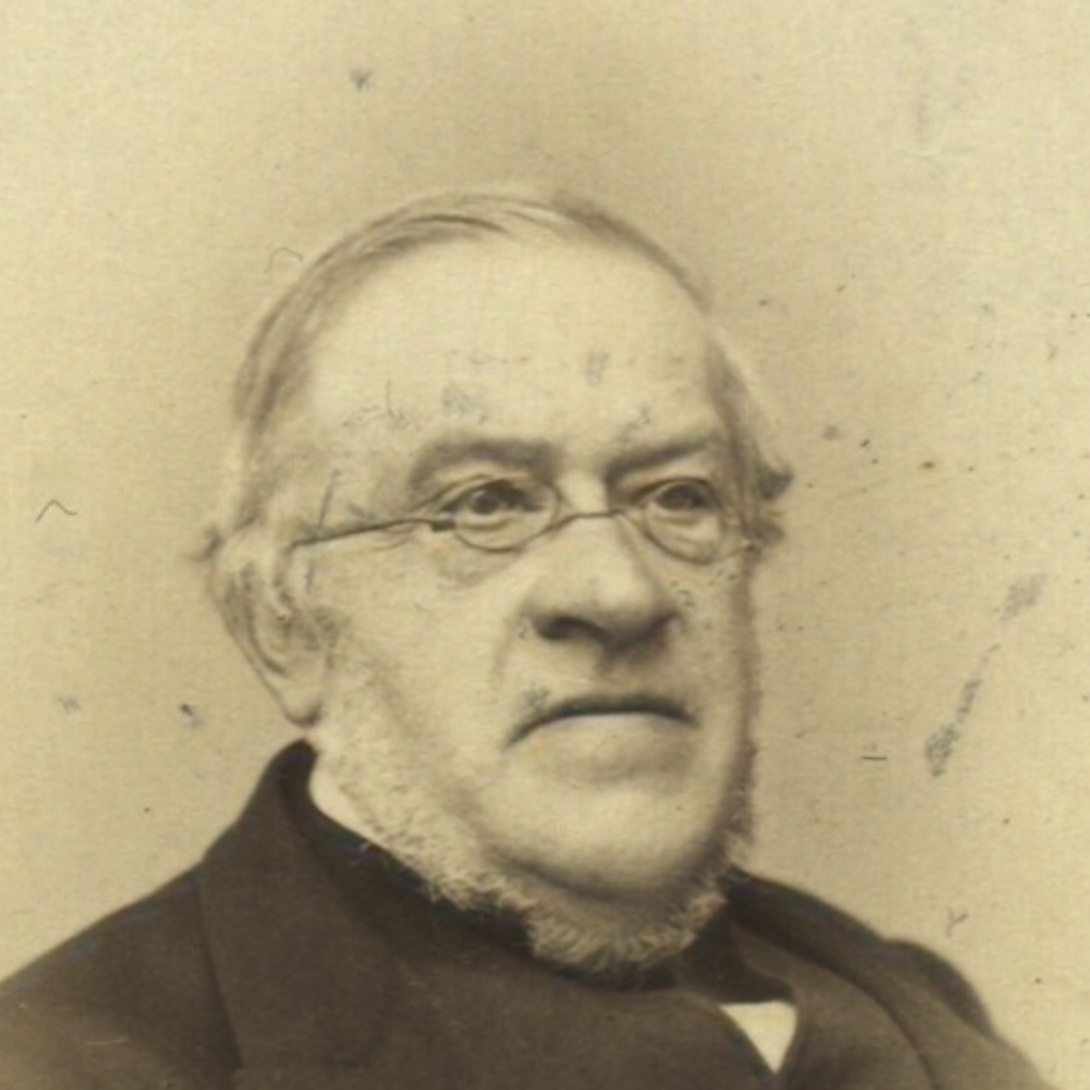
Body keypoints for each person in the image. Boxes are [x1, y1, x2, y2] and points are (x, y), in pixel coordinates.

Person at [0, 189, 1052, 1090]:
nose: (619, 591)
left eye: (678, 496)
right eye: (484, 505)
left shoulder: (917, 1009)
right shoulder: (64, 1058)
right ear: (284, 628)